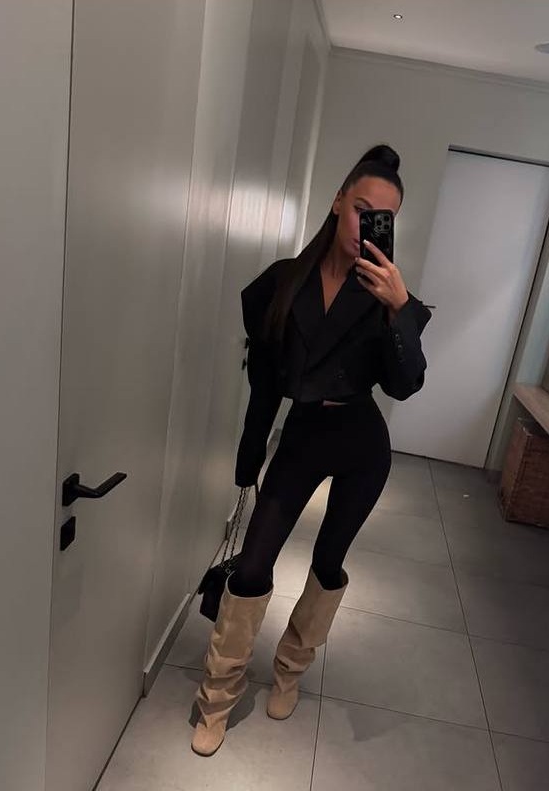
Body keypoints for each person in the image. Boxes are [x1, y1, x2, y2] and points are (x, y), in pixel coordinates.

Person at [191, 144, 432, 757]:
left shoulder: (388, 299)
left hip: (361, 443)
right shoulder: (282, 283)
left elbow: (405, 384)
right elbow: (264, 386)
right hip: (300, 436)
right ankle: (216, 697)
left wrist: (399, 310)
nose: (366, 224)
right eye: (360, 208)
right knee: (253, 564)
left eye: (383, 218)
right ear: (337, 201)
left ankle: (290, 671)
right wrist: (248, 461)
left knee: (328, 561)